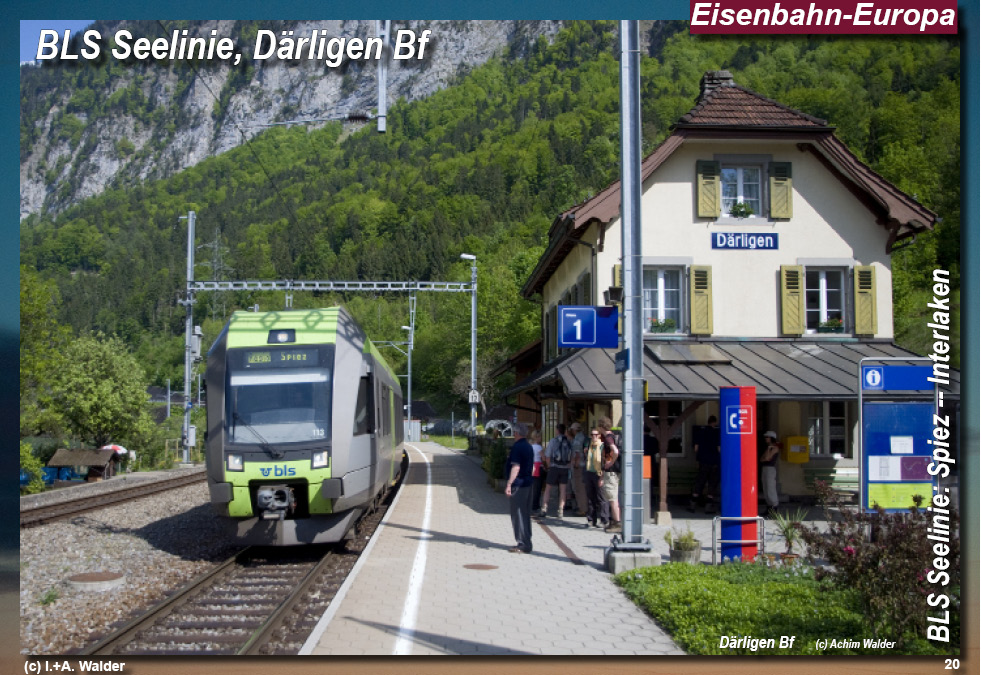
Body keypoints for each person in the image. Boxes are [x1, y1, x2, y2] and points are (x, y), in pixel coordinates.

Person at [504, 422, 535, 553]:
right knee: (525, 514)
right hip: (528, 483)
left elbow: (516, 467)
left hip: (519, 484)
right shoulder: (529, 446)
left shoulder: (517, 447)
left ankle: (523, 544)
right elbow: (532, 466)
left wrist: (509, 484)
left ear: (516, 433)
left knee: (518, 514)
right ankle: (526, 541)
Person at [539, 423, 573, 519]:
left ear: (557, 430)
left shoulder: (553, 441)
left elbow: (547, 456)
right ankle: (560, 510)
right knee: (563, 490)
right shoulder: (569, 442)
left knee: (548, 489)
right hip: (564, 468)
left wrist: (549, 466)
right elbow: (571, 456)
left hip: (554, 467)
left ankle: (544, 508)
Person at [689, 416, 721, 513]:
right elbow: (719, 449)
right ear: (715, 422)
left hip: (703, 462)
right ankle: (708, 507)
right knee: (712, 484)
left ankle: (692, 506)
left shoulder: (700, 432)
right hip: (714, 462)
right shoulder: (717, 433)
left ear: (708, 422)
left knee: (699, 483)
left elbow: (696, 448)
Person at [582, 428, 609, 528]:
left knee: (601, 497)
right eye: (592, 435)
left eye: (596, 434)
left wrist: (602, 476)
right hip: (589, 472)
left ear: (599, 435)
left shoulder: (602, 446)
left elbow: (605, 461)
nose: (594, 436)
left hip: (599, 473)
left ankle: (604, 520)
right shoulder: (589, 446)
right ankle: (591, 519)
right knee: (590, 497)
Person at [600, 426, 622, 533]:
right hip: (614, 472)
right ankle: (614, 522)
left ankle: (617, 523)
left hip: (611, 472)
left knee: (612, 498)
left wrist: (610, 463)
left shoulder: (608, 438)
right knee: (612, 497)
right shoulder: (614, 436)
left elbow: (615, 451)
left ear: (601, 427)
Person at [569, 422, 588, 517]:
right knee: (582, 488)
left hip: (579, 466)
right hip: (584, 465)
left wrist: (575, 464)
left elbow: (577, 453)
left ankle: (582, 509)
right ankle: (583, 507)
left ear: (574, 430)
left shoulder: (577, 439)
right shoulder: (584, 437)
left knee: (579, 488)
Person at [760, 430, 781, 516]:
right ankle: (769, 507)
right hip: (765, 468)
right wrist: (768, 450)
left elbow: (767, 458)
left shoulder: (774, 448)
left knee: (770, 488)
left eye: (767, 437)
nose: (766, 439)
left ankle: (774, 506)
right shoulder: (768, 447)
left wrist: (768, 450)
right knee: (765, 488)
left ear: (771, 438)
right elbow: (762, 459)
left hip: (770, 468)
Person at [529, 428, 544, 513]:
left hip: (532, 466)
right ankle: (535, 505)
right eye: (540, 437)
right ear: (537, 437)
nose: (541, 438)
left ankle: (532, 504)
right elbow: (543, 458)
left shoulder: (530, 446)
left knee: (533, 487)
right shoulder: (539, 447)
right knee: (538, 488)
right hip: (538, 467)